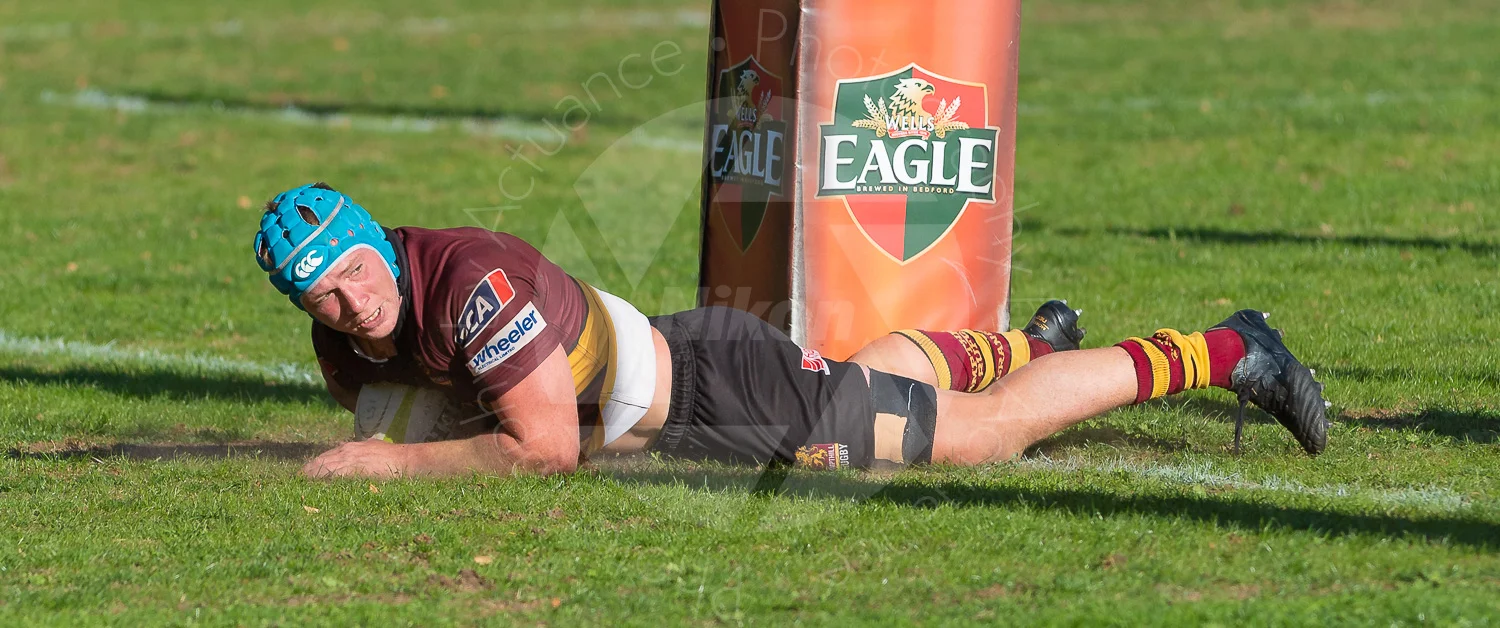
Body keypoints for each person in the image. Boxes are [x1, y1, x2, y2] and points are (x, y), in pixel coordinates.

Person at [252, 183, 1329, 479]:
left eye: (351, 273)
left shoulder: (469, 281)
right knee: (881, 385)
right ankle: (1038, 342)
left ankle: (1231, 349)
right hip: (697, 376)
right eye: (321, 297)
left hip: (729, 395)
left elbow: (546, 448)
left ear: (374, 245)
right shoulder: (346, 341)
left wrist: (384, 469)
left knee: (979, 438)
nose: (349, 306)